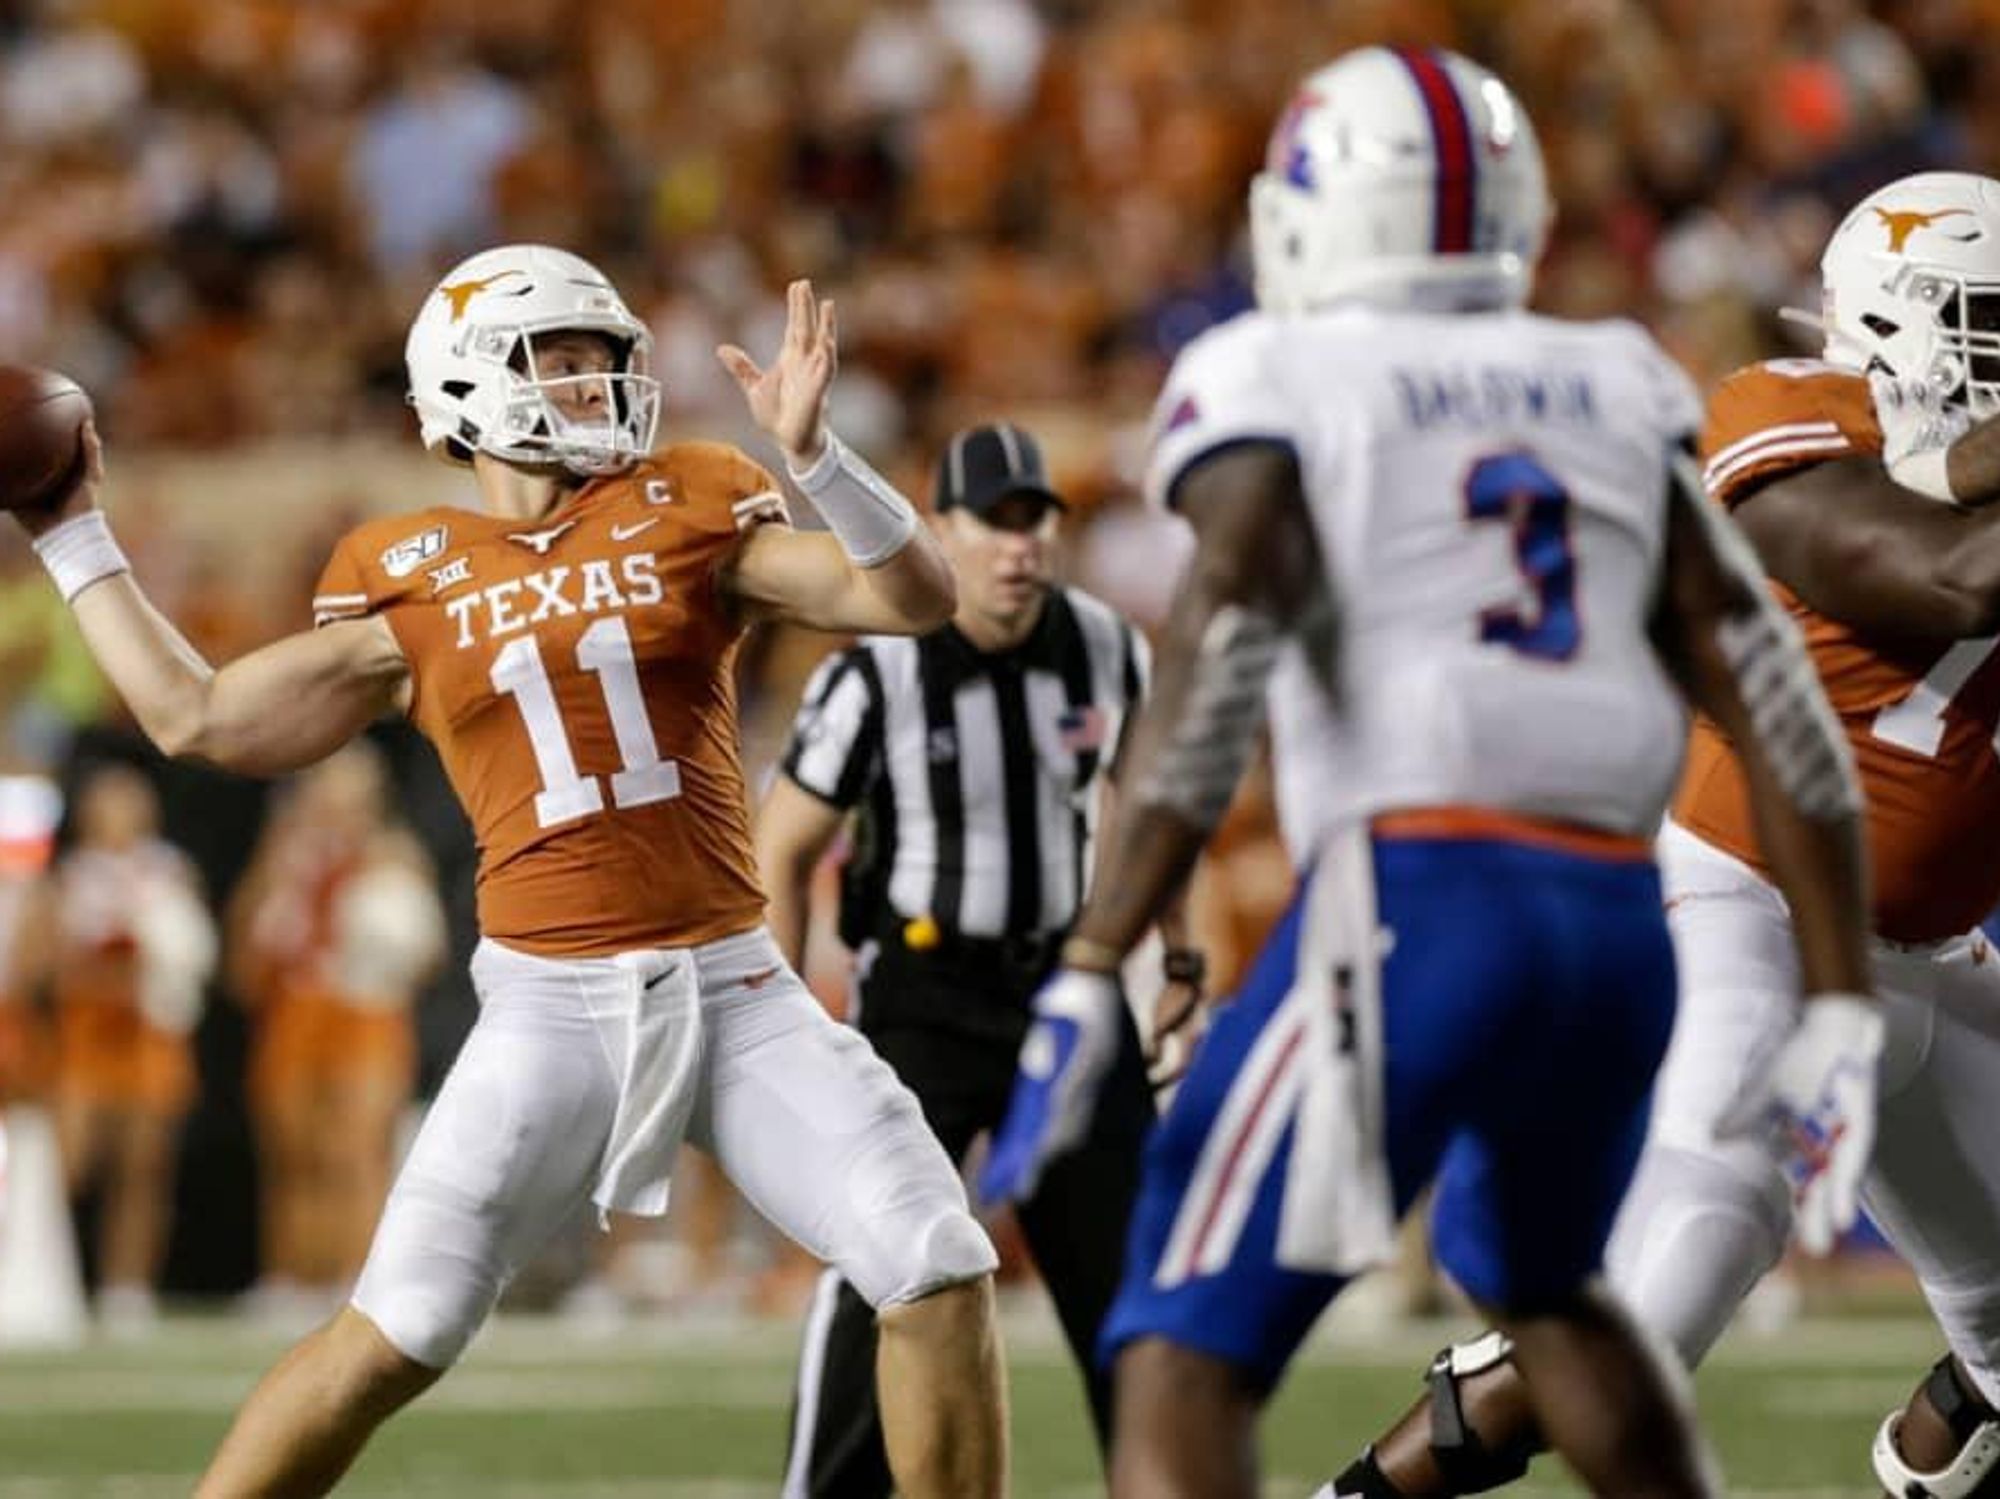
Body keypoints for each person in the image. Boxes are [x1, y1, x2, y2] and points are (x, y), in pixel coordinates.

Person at [978, 45, 1879, 1499]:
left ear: (1326, 209)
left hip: (1416, 897)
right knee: (1557, 1291)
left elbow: (1219, 655)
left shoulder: (1275, 368)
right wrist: (1836, 990)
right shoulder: (1613, 375)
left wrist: (1095, 954)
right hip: (1612, 916)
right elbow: (1777, 699)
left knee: (1179, 1346)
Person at [13, 247, 1007, 1499]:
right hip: (550, 1009)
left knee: (933, 1254)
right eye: (563, 356)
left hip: (736, 990)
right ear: (468, 382)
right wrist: (74, 531)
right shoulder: (410, 568)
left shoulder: (690, 502)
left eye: (604, 356)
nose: (596, 381)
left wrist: (818, 460)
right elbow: (195, 717)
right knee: (397, 1332)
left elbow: (911, 598)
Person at [1320, 169, 2000, 1499]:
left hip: (1934, 945)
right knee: (1660, 1298)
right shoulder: (1778, 412)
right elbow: (1948, 572)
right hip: (1752, 904)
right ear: (1904, 318)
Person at [762, 421, 1200, 1496]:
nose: (1017, 545)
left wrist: (1178, 961)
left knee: (1131, 1276)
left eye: (1033, 519)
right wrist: (775, 1018)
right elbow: (781, 844)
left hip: (1067, 988)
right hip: (921, 990)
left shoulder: (1106, 644)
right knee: (884, 1263)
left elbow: (1149, 809)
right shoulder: (876, 671)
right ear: (941, 529)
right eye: (992, 522)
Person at [231, 739, 446, 1313]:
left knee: (356, 1149)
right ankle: (291, 1277)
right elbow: (244, 953)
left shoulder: (394, 854)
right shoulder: (286, 854)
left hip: (367, 1014)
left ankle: (357, 1277)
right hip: (297, 1010)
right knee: (294, 1153)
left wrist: (383, 944)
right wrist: (273, 870)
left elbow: (427, 954)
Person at [36, 761, 214, 1333]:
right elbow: (48, 961)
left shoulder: (169, 870)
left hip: (150, 1033)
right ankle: (47, 1279)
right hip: (87, 1034)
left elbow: (195, 952)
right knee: (68, 1163)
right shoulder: (68, 874)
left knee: (143, 1168)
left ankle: (126, 1289)